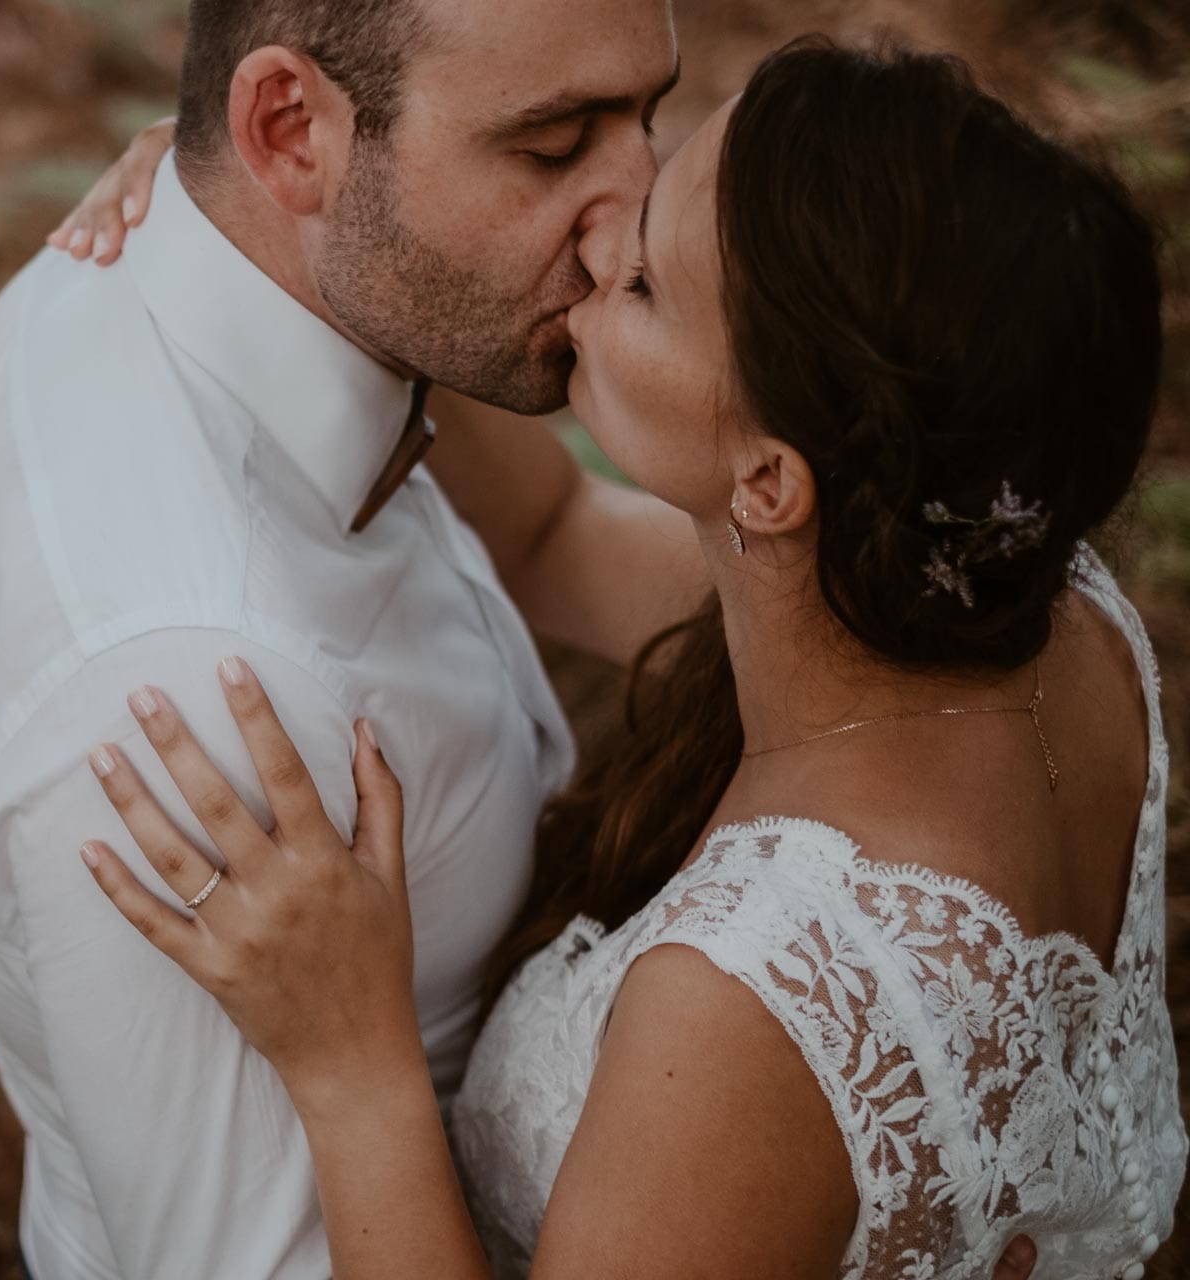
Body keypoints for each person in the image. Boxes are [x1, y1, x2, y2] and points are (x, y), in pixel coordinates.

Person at [67, 36, 1188, 1280]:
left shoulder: (746, 1011)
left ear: (766, 480)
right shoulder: (1032, 615)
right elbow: (554, 533)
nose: (599, 245)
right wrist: (285, 225)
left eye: (645, 281)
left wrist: (352, 1069)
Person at [0, 0, 705, 1273]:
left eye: (644, 119)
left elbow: (556, 532)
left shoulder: (238, 281)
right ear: (289, 130)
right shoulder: (195, 705)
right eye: (553, 149)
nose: (633, 224)